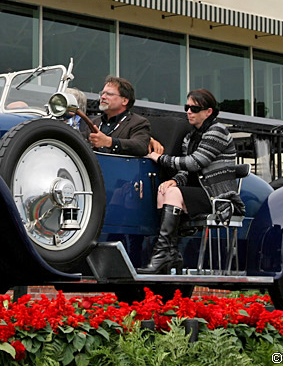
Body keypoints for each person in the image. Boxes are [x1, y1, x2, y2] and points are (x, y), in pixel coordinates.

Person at [138, 88, 243, 274]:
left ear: (208, 111)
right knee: (164, 190)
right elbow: (186, 171)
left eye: (194, 109)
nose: (188, 112)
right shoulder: (190, 137)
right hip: (198, 192)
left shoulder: (217, 131)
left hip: (218, 196)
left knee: (171, 193)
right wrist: (176, 181)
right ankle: (170, 252)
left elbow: (195, 163)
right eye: (187, 107)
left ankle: (164, 253)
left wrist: (160, 159)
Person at [78, 76, 151, 156]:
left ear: (124, 101)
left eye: (109, 94)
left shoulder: (138, 122)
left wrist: (109, 142)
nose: (103, 97)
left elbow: (141, 146)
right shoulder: (95, 122)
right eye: (102, 93)